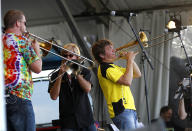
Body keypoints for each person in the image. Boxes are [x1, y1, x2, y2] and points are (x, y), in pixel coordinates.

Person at [3, 10, 42, 131]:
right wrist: (37, 50)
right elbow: (38, 68)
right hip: (20, 96)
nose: (25, 26)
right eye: (25, 23)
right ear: (18, 23)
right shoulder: (21, 41)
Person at [91, 39, 142, 131]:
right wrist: (130, 60)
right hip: (122, 110)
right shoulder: (106, 68)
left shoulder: (114, 67)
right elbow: (127, 81)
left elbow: (137, 74)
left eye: (113, 48)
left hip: (129, 108)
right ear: (102, 55)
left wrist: (129, 60)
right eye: (110, 49)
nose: (114, 50)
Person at [48, 43, 96, 131]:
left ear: (77, 57)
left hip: (86, 119)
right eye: (65, 55)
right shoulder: (55, 75)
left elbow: (87, 89)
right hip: (68, 122)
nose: (68, 58)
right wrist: (60, 75)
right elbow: (53, 96)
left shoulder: (84, 71)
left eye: (71, 55)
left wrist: (76, 73)